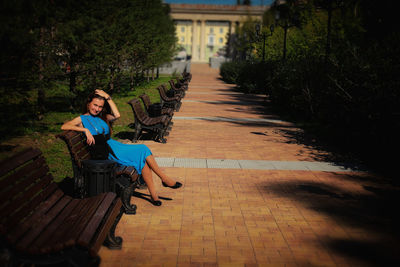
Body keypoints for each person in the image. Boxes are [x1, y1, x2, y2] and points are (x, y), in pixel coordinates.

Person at [61, 89, 182, 206]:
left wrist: (107, 97)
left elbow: (117, 114)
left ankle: (154, 195)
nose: (97, 109)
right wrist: (84, 129)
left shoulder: (103, 117)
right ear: (88, 104)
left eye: (100, 106)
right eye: (95, 105)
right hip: (109, 152)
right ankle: (163, 179)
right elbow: (64, 126)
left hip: (115, 146)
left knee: (142, 157)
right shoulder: (82, 119)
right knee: (143, 150)